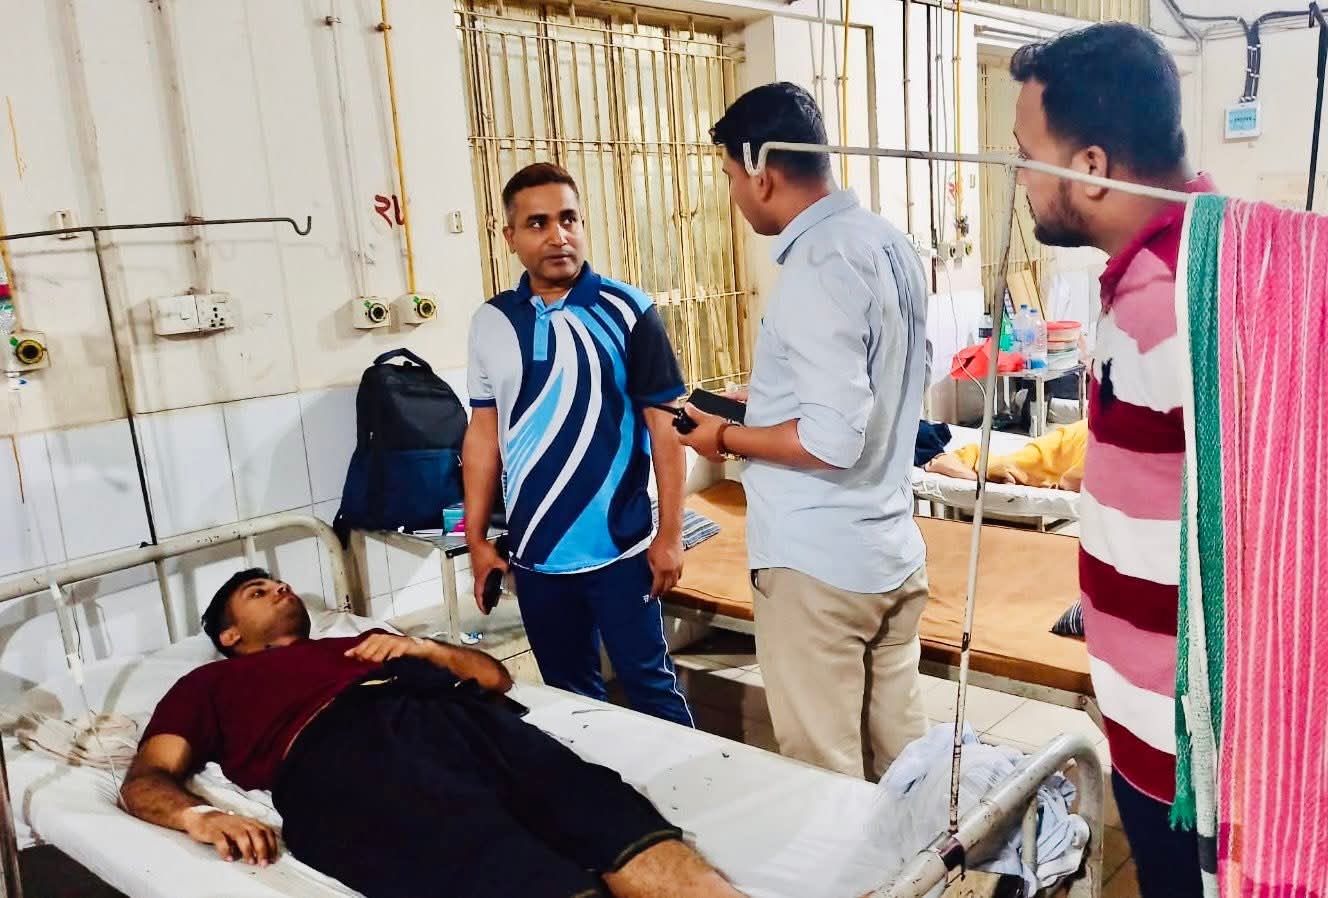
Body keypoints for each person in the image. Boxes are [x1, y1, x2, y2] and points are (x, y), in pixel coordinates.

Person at [121, 570, 746, 898]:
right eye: (258, 592)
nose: (281, 588)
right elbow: (146, 778)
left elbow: (496, 679)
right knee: (505, 872)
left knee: (611, 820)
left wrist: (421, 648)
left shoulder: (363, 643)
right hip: (342, 756)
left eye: (279, 583)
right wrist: (201, 816)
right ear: (229, 636)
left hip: (462, 720)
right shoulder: (209, 684)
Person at [679, 82, 932, 781]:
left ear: (760, 171)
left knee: (825, 777)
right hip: (890, 550)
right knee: (905, 765)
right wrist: (760, 402)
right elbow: (885, 382)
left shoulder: (817, 265)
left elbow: (829, 441)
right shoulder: (886, 242)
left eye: (730, 176)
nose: (734, 193)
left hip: (820, 568)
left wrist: (722, 439)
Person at [1009, 23, 1211, 897]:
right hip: (1148, 714)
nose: (1019, 177)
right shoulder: (1155, 273)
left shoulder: (1175, 297)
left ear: (1090, 166)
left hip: (1189, 744)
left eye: (1027, 155)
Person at [462, 162, 693, 727]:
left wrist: (670, 536)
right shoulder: (491, 322)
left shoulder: (629, 310)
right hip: (535, 556)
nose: (558, 235)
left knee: (651, 689)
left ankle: (700, 783)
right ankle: (601, 786)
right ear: (510, 236)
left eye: (568, 219)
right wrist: (476, 541)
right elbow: (484, 434)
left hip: (621, 550)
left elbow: (667, 428)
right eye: (537, 223)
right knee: (571, 702)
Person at [925, 418, 1087, 491]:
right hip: (1058, 449)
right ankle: (951, 460)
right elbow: (1072, 481)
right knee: (1008, 465)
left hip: (1073, 442)